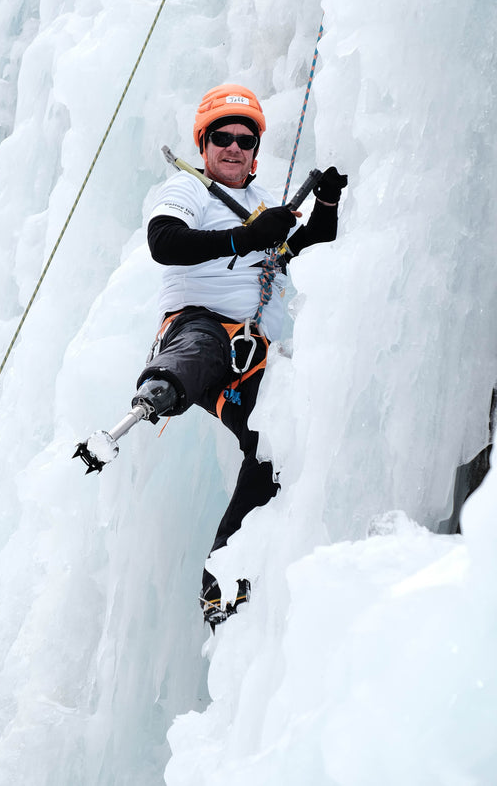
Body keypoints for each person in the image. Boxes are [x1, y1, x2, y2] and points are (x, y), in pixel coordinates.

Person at [80, 84, 347, 629]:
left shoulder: (261, 205)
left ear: (255, 149)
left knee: (274, 450)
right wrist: (241, 241)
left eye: (244, 140)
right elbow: (165, 241)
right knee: (199, 346)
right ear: (203, 145)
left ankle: (222, 577)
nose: (233, 148)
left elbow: (299, 250)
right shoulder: (189, 189)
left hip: (248, 359)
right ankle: (158, 391)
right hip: (196, 328)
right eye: (221, 138)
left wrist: (327, 205)